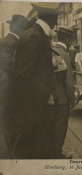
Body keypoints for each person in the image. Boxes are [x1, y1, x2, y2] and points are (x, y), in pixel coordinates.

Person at [13, 2, 63, 159]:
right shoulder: (34, 36)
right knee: (34, 152)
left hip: (38, 108)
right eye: (57, 16)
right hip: (36, 109)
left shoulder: (37, 34)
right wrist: (46, 94)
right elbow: (23, 74)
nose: (58, 20)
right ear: (52, 17)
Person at [0, 15, 28, 158]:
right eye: (24, 28)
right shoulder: (12, 43)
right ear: (19, 28)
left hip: (6, 91)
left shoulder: (6, 41)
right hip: (9, 92)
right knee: (9, 125)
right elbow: (7, 68)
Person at [52, 26, 76, 158]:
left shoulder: (51, 51)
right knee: (60, 127)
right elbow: (68, 80)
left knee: (52, 125)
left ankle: (51, 151)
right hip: (62, 99)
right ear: (66, 39)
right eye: (71, 40)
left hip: (50, 96)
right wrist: (73, 99)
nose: (71, 43)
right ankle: (57, 154)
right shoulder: (64, 55)